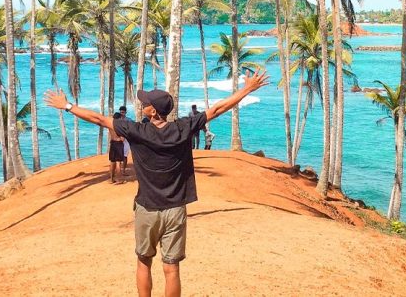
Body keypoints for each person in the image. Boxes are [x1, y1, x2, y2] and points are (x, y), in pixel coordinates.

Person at [44, 70, 269, 297]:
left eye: (145, 103)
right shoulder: (183, 128)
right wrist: (247, 89)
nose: (142, 105)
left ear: (153, 111)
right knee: (171, 267)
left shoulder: (136, 131)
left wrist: (68, 106)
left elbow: (99, 119)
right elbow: (217, 109)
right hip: (175, 209)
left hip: (147, 208)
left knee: (144, 261)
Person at [109, 113, 128, 183]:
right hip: (119, 144)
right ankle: (119, 179)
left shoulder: (110, 125)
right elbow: (122, 139)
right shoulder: (119, 127)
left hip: (112, 143)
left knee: (112, 162)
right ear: (119, 118)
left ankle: (111, 179)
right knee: (118, 163)